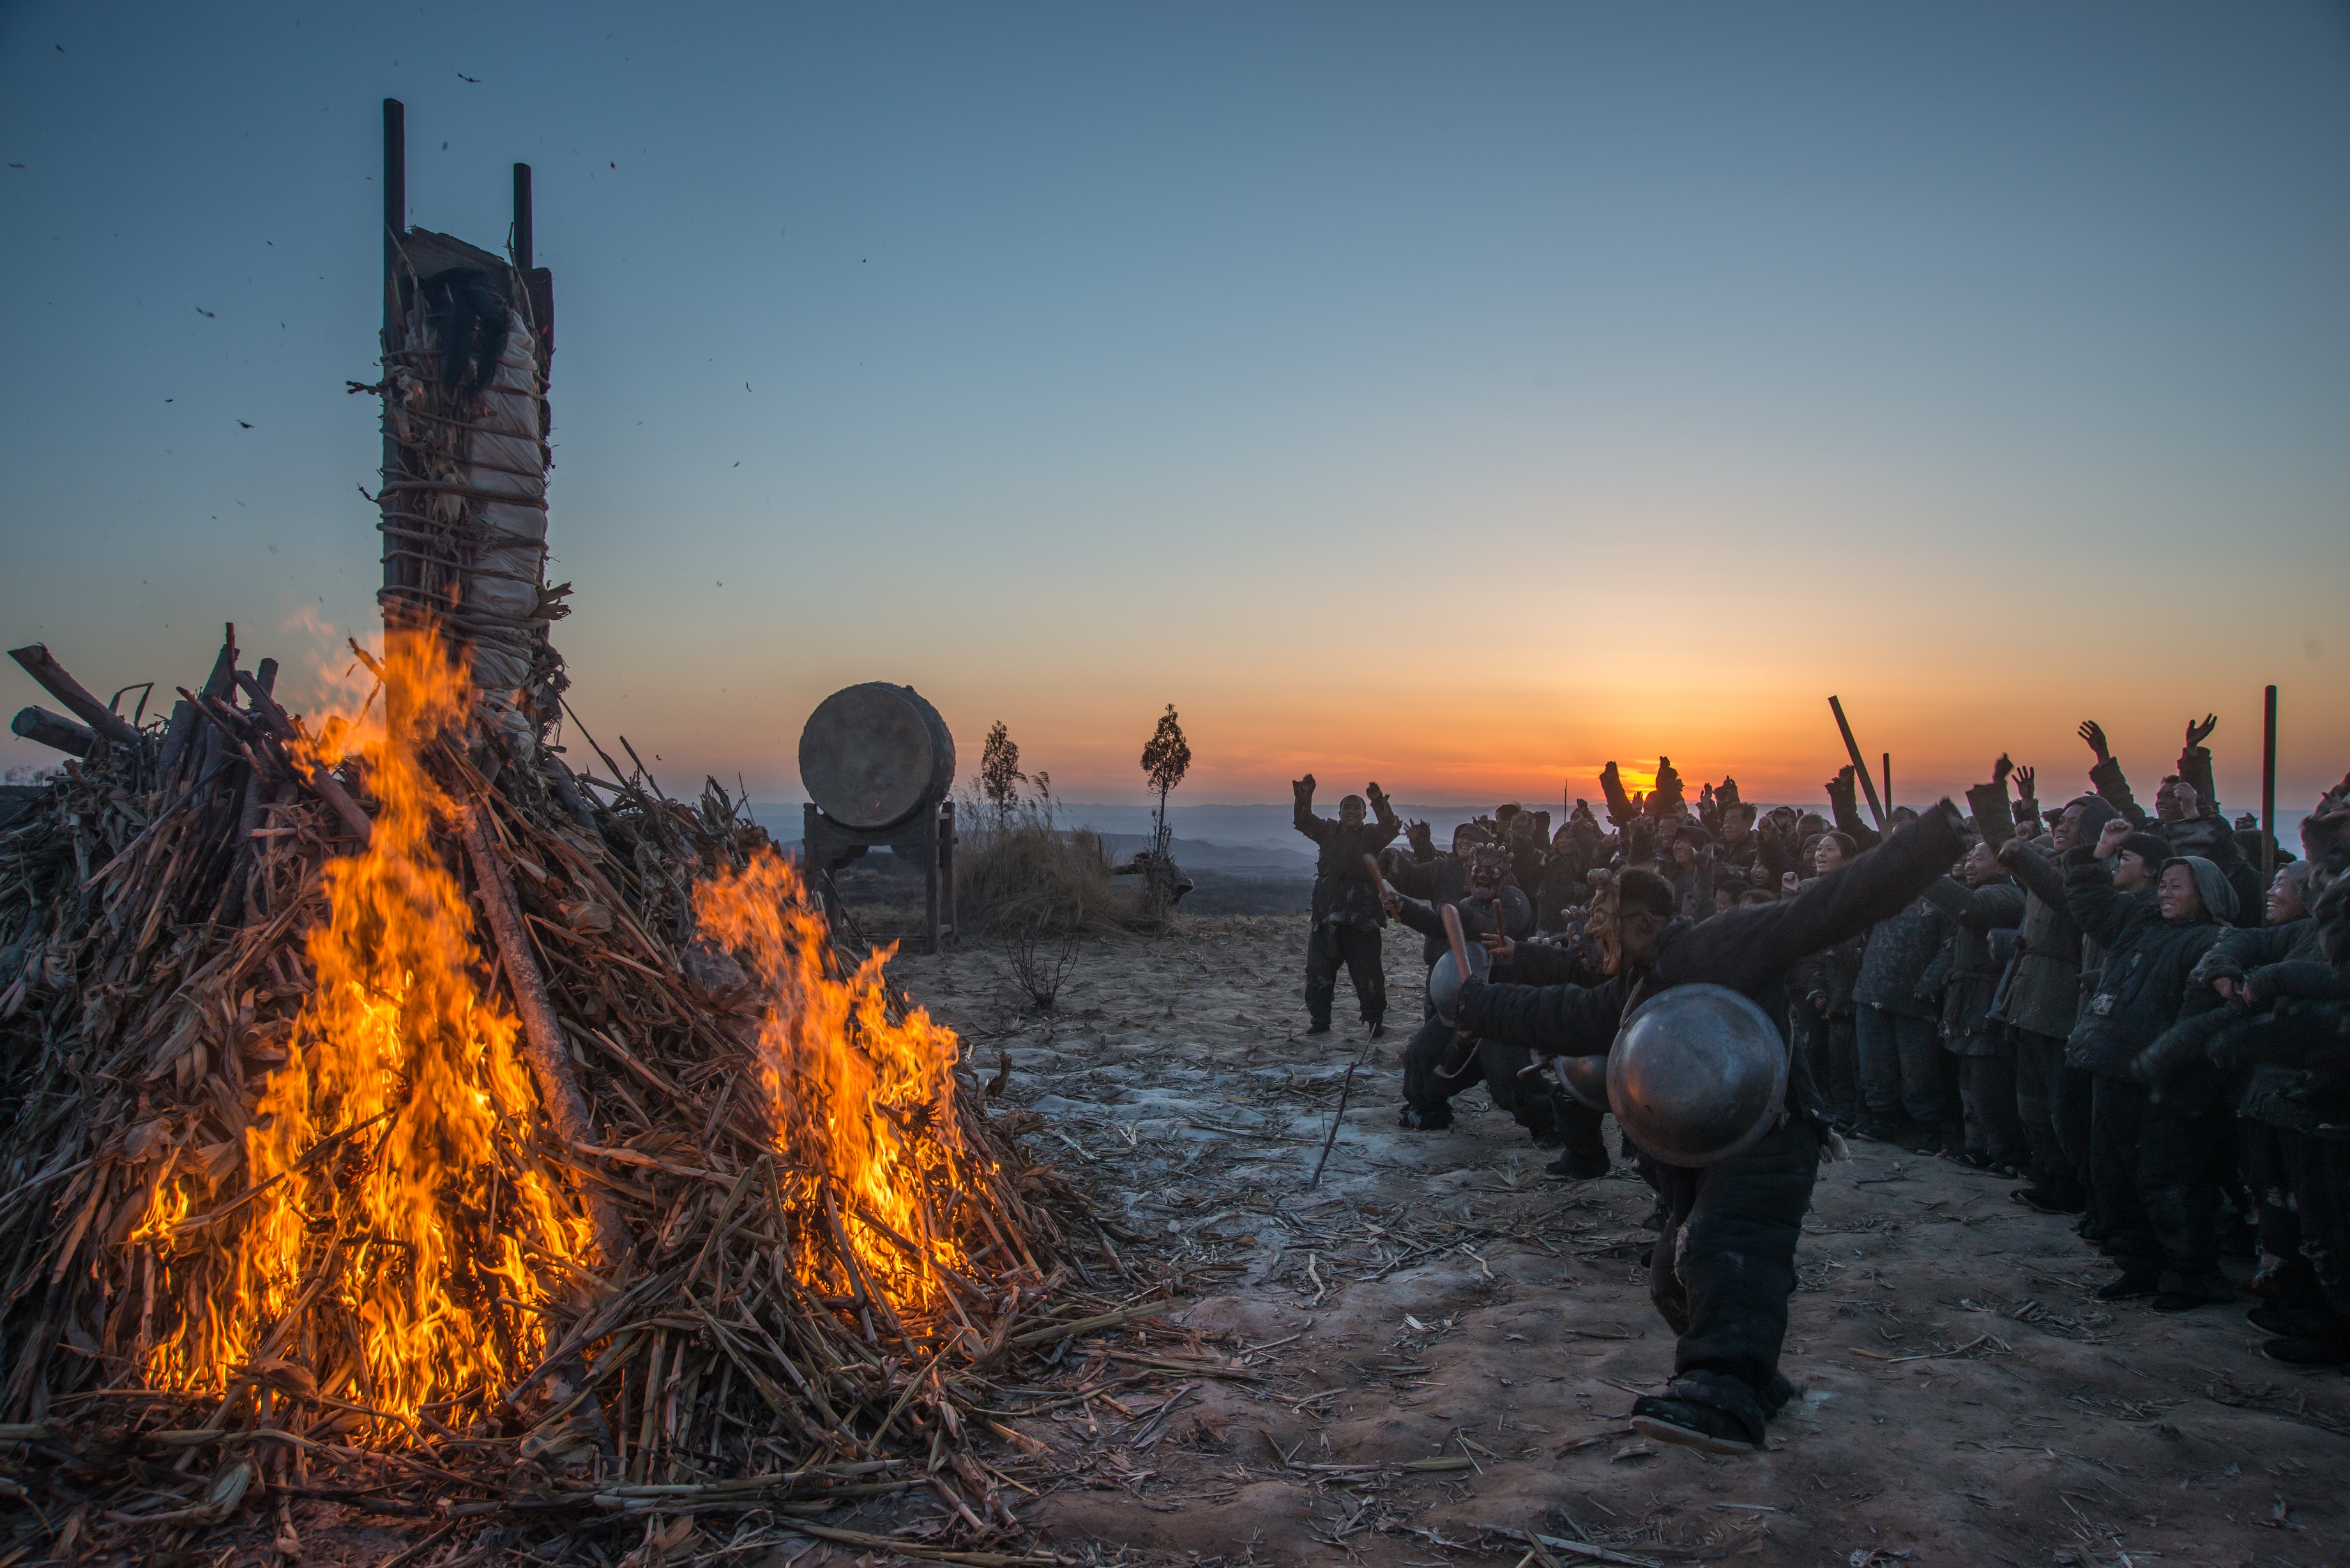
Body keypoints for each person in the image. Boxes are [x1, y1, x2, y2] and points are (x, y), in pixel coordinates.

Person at [1453, 803, 1971, 1455]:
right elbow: (1571, 1014)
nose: (1590, 937)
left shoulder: (1724, 942)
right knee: (1672, 1276)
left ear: (1640, 923)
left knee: (1729, 1250)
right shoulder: (1641, 981)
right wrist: (1482, 1004)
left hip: (1767, 1138)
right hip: (1706, 1148)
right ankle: (1754, 1375)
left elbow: (1831, 904)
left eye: (1600, 923)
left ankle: (1723, 1391)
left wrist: (1927, 842)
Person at [2064, 817, 2236, 1308]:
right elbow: (2092, 906)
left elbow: (2198, 1022)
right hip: (2113, 1068)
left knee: (2168, 1183)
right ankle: (2139, 1266)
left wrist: (2166, 1070)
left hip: (2163, 1084)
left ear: (2204, 892)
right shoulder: (2141, 924)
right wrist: (2094, 856)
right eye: (2161, 885)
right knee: (2113, 1177)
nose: (2164, 894)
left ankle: (2191, 1274)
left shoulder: (2214, 942)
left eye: (2175, 887)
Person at [1995, 790, 2119, 1216]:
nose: (2063, 826)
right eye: (2060, 820)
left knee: (2065, 1108)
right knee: (2031, 1103)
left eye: (2074, 820)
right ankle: (2048, 1174)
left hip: (2065, 1003)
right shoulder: (2055, 867)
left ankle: (2074, 1185)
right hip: (2031, 997)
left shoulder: (2101, 878)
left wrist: (2023, 851)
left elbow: (2064, 899)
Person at [1293, 774, 1400, 1037]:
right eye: (1347, 808)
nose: (1352, 812)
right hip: (1326, 915)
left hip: (1363, 917)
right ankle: (1320, 1021)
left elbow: (1390, 827)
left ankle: (1374, 1021)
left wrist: (1378, 802)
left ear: (1364, 814)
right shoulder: (1328, 831)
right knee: (1318, 971)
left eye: (1357, 808)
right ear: (1339, 813)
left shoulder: (1373, 835)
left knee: (1368, 972)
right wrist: (1304, 797)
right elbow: (1304, 821)